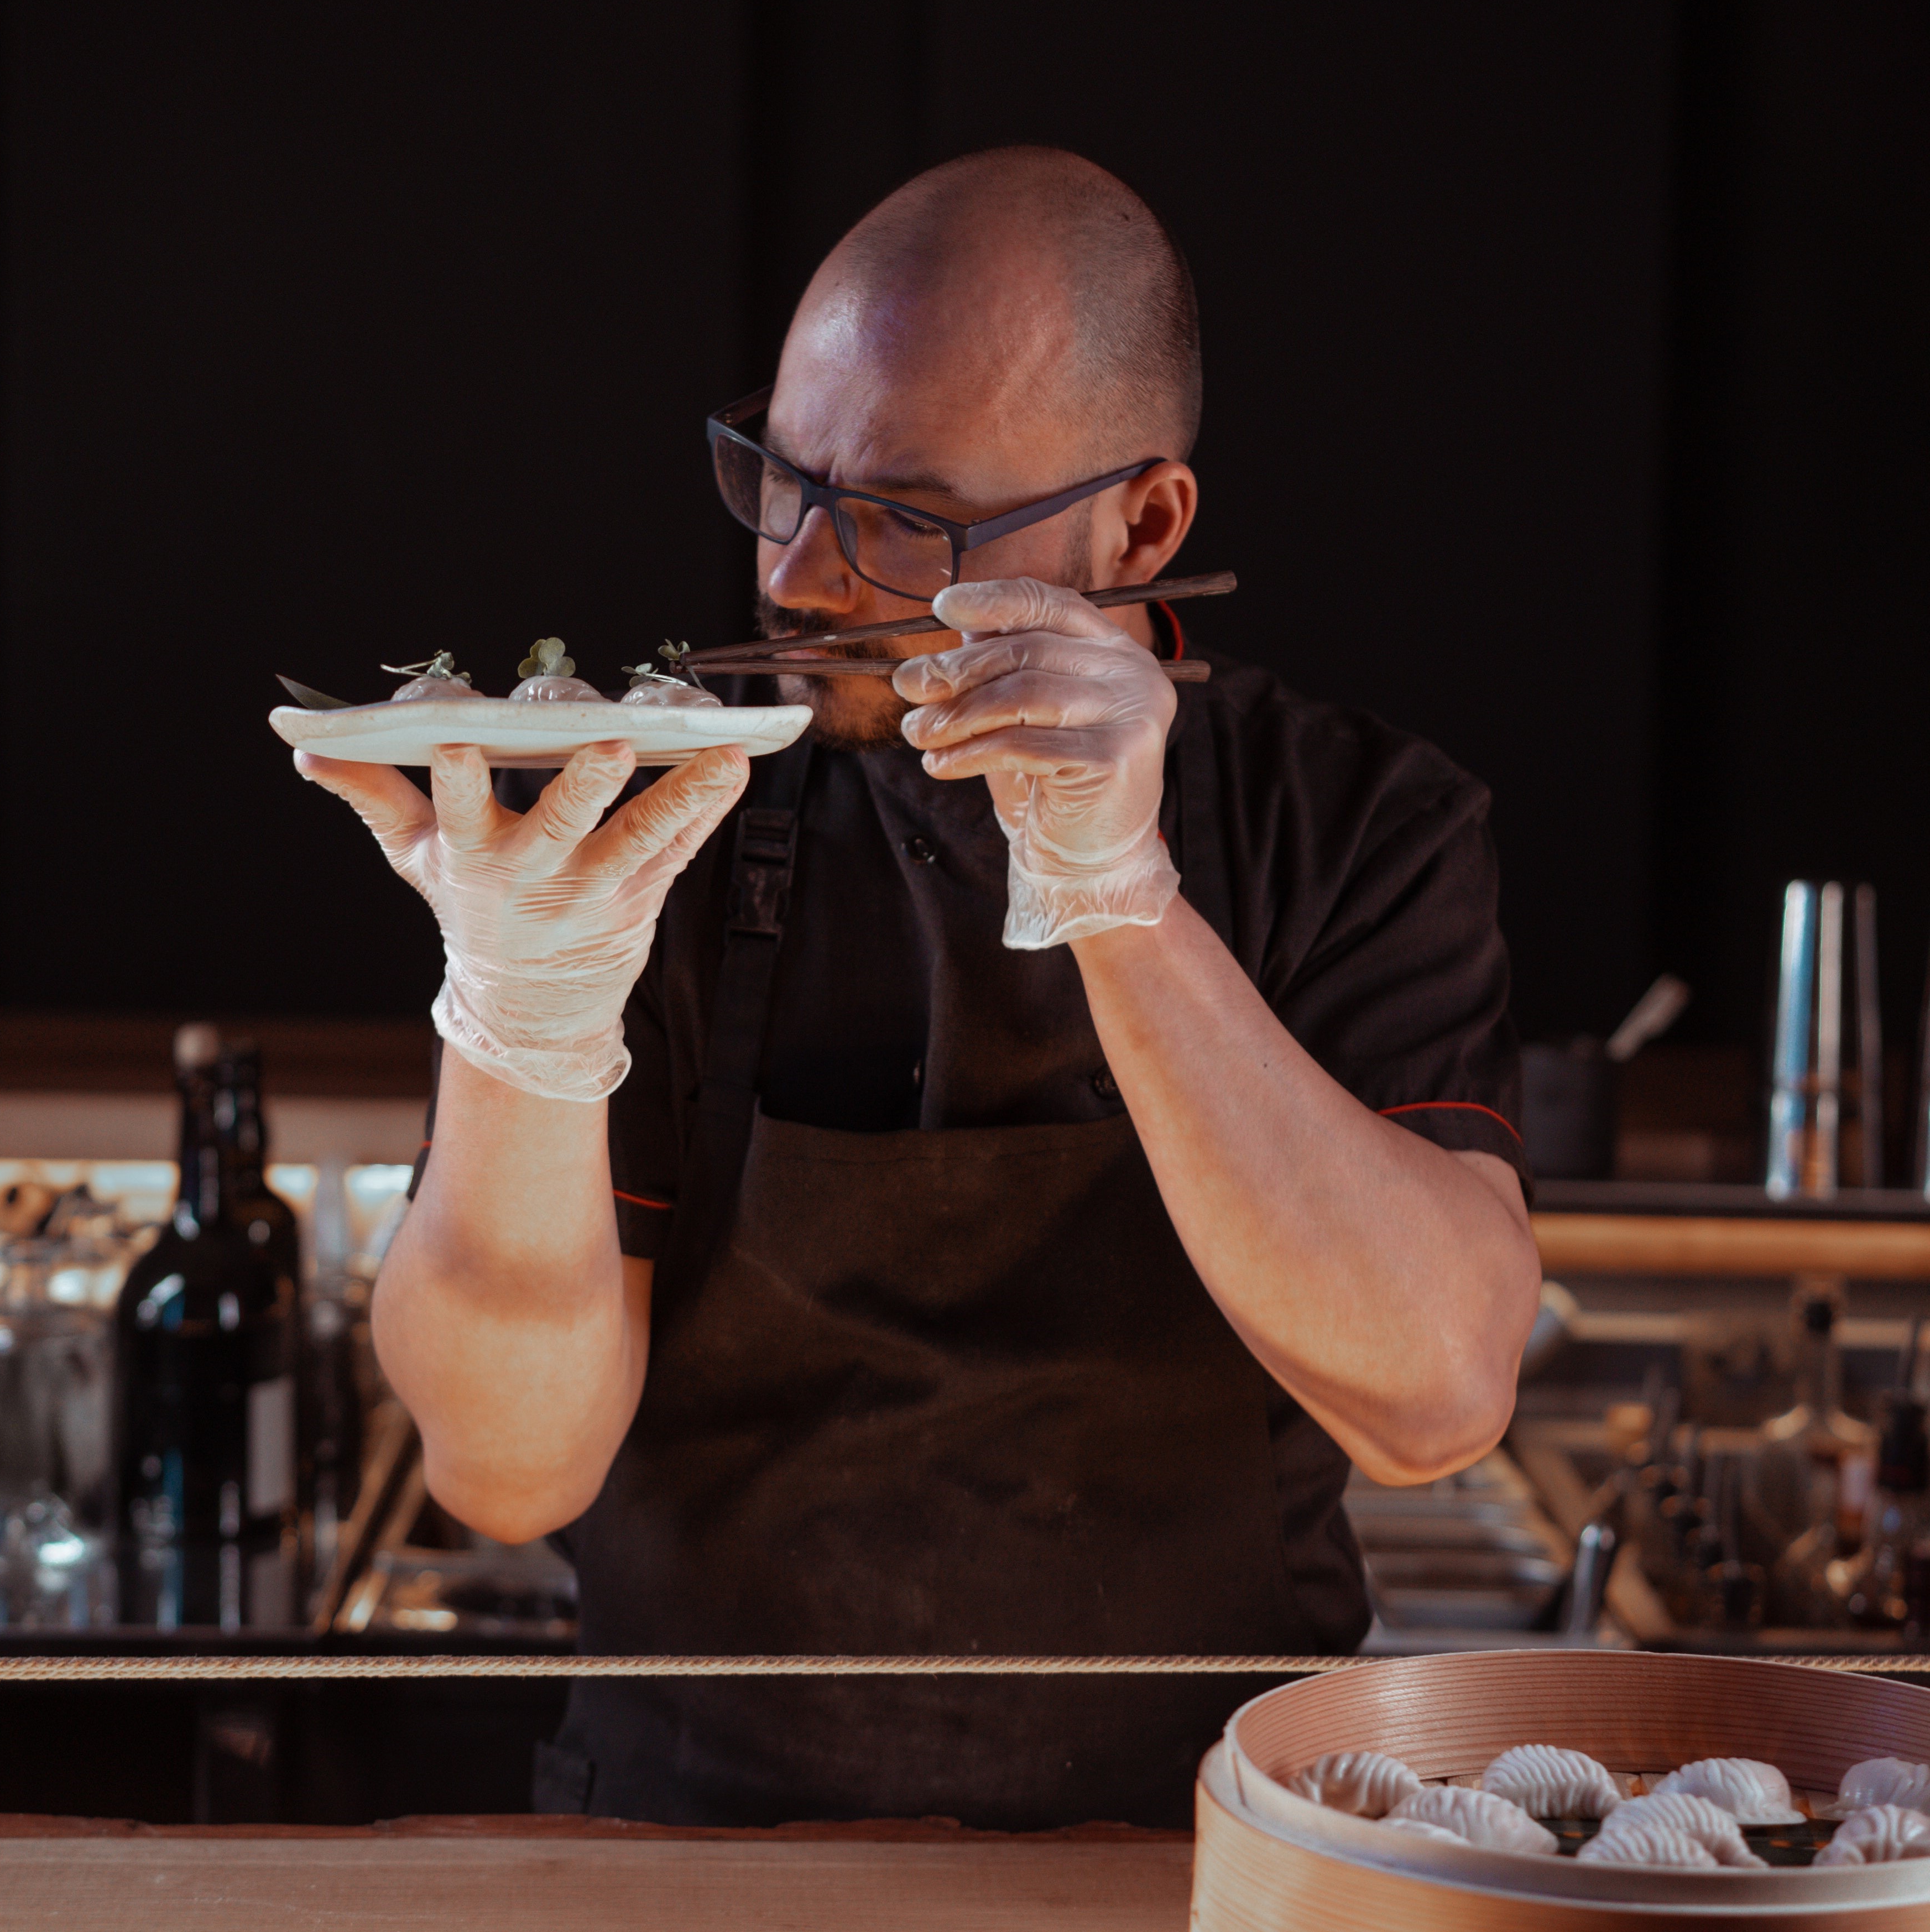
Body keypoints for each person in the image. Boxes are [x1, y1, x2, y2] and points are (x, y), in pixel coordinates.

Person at [300, 148, 1543, 1827]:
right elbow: (509, 1472)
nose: (797, 576)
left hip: (1194, 1868)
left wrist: (1125, 896)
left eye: (895, 517)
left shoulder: (1358, 829)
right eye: (779, 476)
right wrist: (520, 1016)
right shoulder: (655, 817)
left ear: (1145, 523)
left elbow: (1438, 1401)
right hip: (681, 1860)